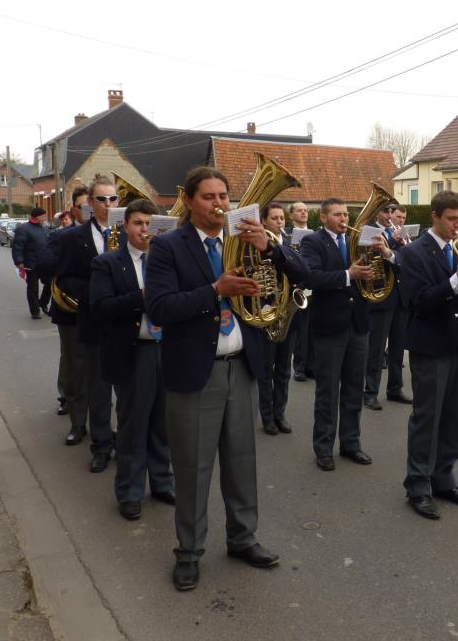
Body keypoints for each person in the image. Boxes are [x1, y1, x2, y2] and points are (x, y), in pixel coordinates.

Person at [146, 166, 306, 592]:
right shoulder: (168, 247)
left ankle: (243, 539)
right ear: (189, 201)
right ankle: (189, 552)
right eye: (208, 197)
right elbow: (160, 308)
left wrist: (271, 249)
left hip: (242, 367)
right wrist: (216, 291)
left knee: (241, 463)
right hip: (196, 372)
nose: (219, 204)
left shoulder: (247, 239)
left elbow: (302, 274)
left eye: (223, 196)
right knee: (193, 469)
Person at [398, 191, 458, 520]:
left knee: (454, 417)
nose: (457, 225)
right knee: (427, 418)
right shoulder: (413, 252)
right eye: (451, 219)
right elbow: (420, 301)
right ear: (435, 216)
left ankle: (444, 478)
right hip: (431, 345)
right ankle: (418, 485)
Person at [89, 198, 175, 522]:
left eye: (150, 224)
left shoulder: (169, 261)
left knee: (162, 424)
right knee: (133, 426)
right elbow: (101, 308)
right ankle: (129, 491)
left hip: (167, 349)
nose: (144, 230)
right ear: (125, 226)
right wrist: (142, 296)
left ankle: (162, 482)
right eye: (138, 223)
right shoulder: (108, 263)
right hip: (134, 350)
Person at [300, 197, 387, 471]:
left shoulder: (355, 241)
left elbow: (374, 274)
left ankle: (351, 443)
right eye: (337, 215)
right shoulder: (312, 242)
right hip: (329, 326)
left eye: (346, 215)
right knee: (327, 392)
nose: (344, 219)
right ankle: (323, 447)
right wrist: (348, 275)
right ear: (323, 217)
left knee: (353, 389)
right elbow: (311, 277)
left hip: (358, 324)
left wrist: (378, 263)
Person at [56, 175, 118, 472]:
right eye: (102, 199)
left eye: (113, 199)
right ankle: (101, 445)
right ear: (91, 203)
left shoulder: (129, 232)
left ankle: (129, 443)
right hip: (94, 322)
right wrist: (95, 291)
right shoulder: (72, 237)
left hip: (128, 323)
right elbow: (65, 278)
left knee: (131, 392)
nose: (108, 204)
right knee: (99, 389)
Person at [36, 187, 88, 424]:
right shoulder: (62, 236)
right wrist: (73, 260)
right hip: (71, 308)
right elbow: (44, 264)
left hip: (100, 307)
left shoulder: (111, 235)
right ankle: (67, 396)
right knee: (72, 357)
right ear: (73, 210)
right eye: (83, 206)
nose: (90, 210)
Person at [256, 202, 309, 435]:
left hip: (288, 312)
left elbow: (304, 272)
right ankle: (267, 416)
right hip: (267, 312)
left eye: (281, 218)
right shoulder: (257, 248)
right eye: (274, 218)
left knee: (284, 369)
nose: (279, 222)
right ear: (264, 221)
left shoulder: (290, 245)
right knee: (266, 368)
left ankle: (280, 413)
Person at [362, 202, 410, 410]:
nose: (390, 215)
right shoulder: (368, 232)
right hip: (381, 296)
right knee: (376, 347)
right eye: (385, 211)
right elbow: (368, 259)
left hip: (400, 296)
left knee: (398, 348)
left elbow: (405, 261)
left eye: (392, 211)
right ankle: (370, 392)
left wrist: (401, 244)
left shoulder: (397, 232)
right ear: (376, 213)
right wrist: (391, 242)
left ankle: (395, 388)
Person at [288, 201, 315, 383]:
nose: (304, 213)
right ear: (291, 215)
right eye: (299, 211)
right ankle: (299, 367)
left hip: (313, 286)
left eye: (305, 210)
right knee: (300, 330)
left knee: (313, 329)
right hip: (297, 287)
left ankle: (311, 366)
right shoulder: (287, 234)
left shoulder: (315, 234)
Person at [12, 207, 50, 319]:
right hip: (31, 264)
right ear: (37, 217)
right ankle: (35, 311)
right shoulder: (23, 229)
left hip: (45, 263)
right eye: (43, 216)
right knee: (33, 288)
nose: (45, 218)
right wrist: (19, 261)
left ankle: (43, 302)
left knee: (50, 283)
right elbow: (17, 247)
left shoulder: (44, 228)